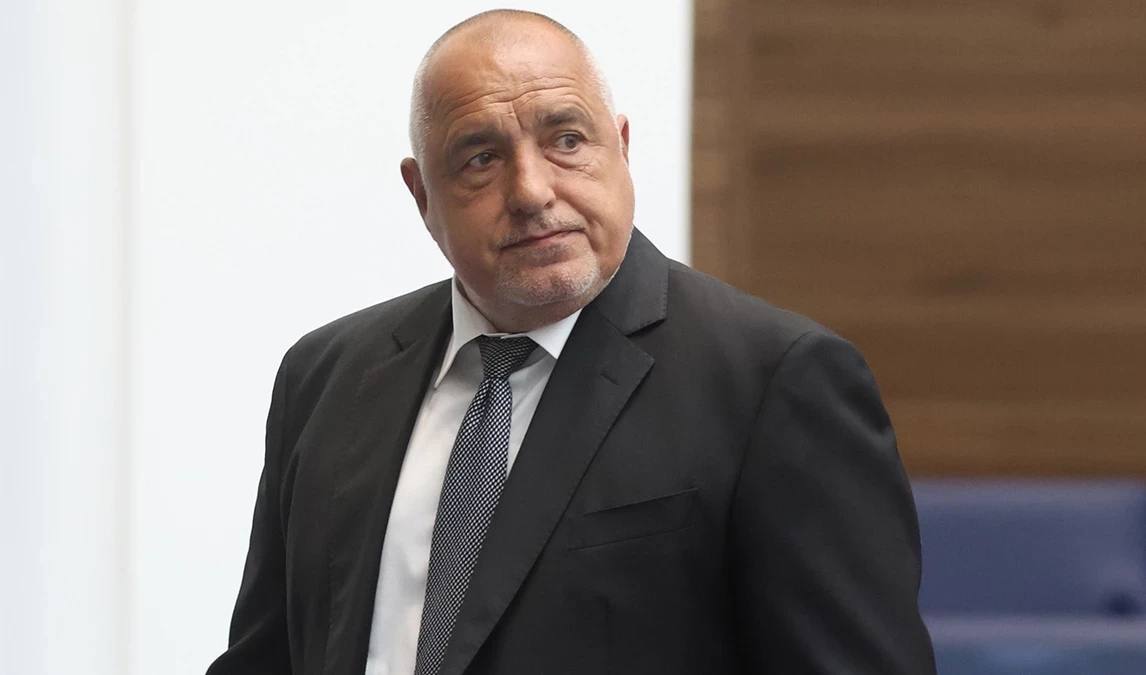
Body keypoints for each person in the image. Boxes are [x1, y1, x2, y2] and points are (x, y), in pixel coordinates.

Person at [207, 9, 935, 675]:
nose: (531, 190)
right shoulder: (326, 378)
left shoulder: (774, 383)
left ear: (621, 147)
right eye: (481, 158)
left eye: (566, 140)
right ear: (422, 194)